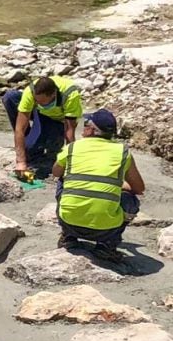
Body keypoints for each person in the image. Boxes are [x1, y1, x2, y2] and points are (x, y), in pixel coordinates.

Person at [51, 109, 144, 264]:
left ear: (92, 130)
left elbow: (56, 172)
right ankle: (106, 246)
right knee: (131, 200)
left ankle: (68, 237)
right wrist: (117, 184)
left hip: (70, 222)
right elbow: (139, 188)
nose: (83, 127)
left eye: (85, 124)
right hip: (105, 230)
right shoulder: (122, 152)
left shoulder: (73, 147)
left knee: (63, 179)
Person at [4, 74, 83, 179]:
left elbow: (70, 132)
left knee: (47, 149)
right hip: (41, 114)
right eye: (36, 101)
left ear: (53, 94)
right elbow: (19, 128)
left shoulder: (70, 95)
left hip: (58, 121)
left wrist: (69, 163)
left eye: (42, 102)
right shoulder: (30, 92)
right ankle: (29, 141)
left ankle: (47, 145)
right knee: (10, 97)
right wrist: (21, 161)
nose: (38, 103)